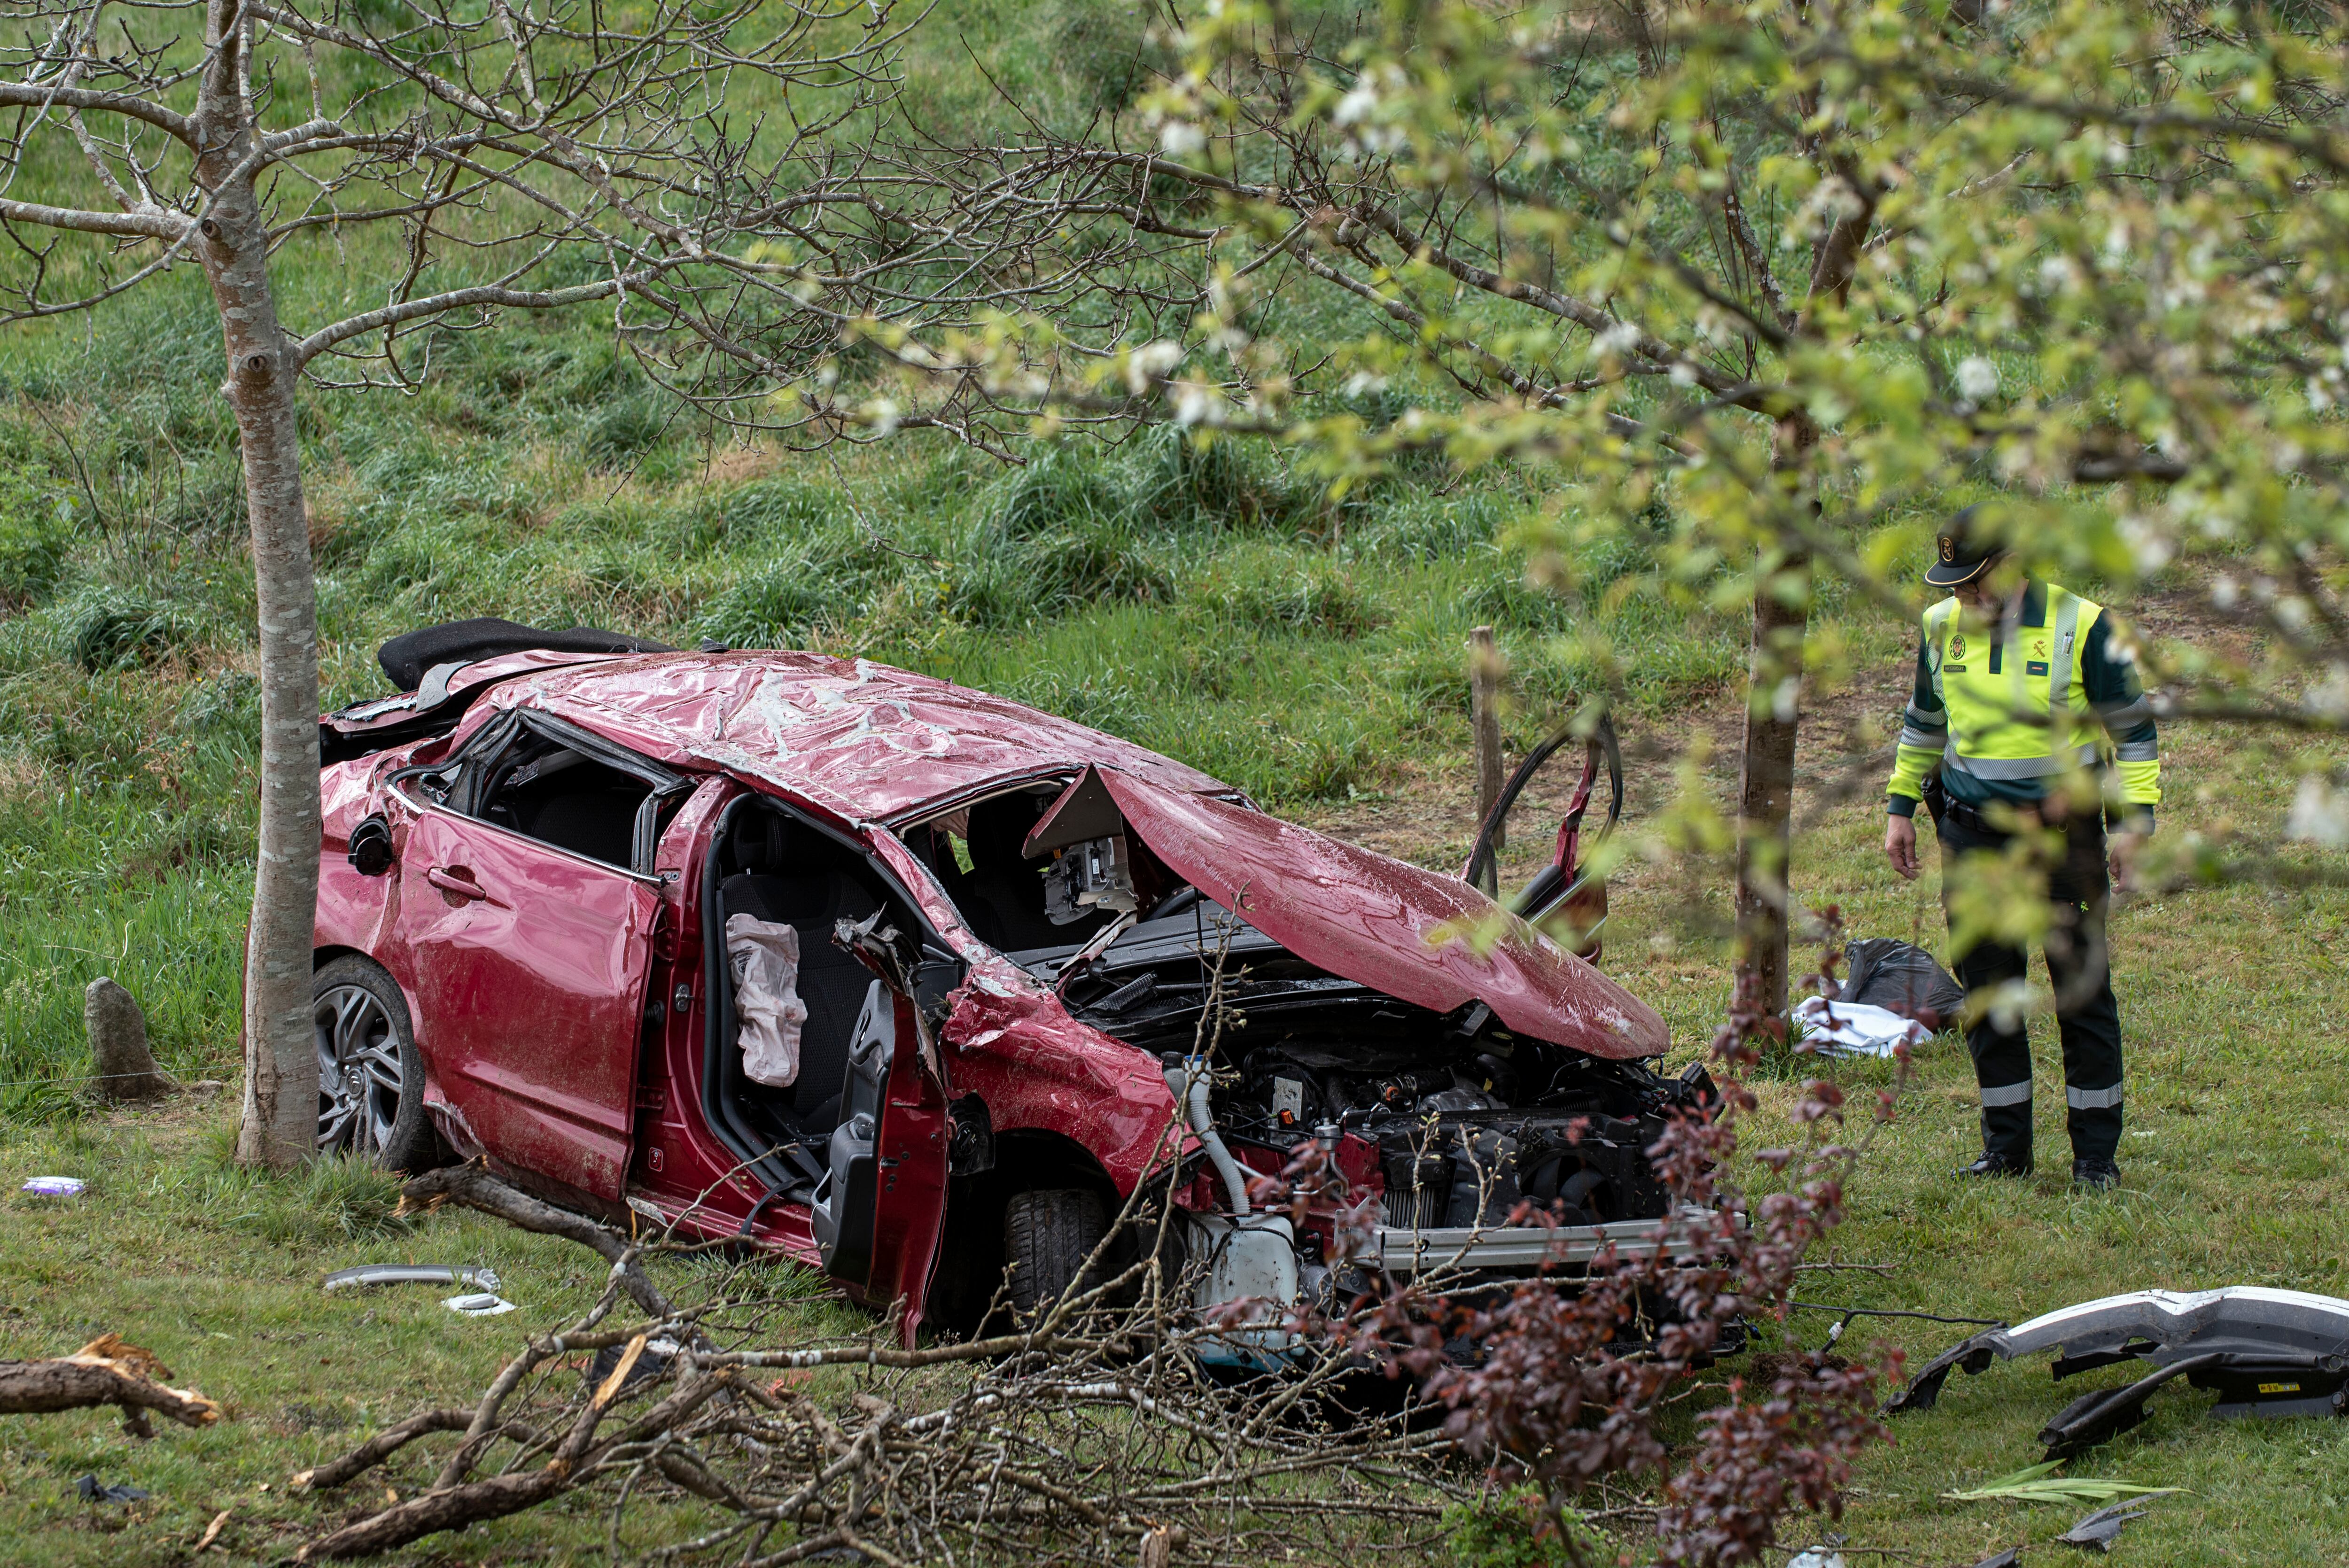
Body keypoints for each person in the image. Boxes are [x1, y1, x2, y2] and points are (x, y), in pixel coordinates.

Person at [1882, 507, 2160, 1190]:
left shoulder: (2085, 625)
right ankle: (2006, 1151)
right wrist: (1899, 806)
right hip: (1972, 838)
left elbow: (2135, 732)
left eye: (1975, 584)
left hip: (2063, 844)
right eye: (1954, 586)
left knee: (2081, 996)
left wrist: (2135, 822)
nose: (1963, 600)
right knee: (1989, 994)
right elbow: (1925, 722)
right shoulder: (1940, 626)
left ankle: (2096, 1158)